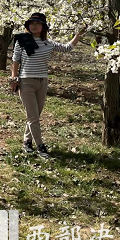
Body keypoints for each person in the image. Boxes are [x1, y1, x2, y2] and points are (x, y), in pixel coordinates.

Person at [9, 12, 85, 159]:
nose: (34, 26)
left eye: (37, 23)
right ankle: (41, 147)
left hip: (42, 82)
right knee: (33, 117)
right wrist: (14, 78)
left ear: (43, 27)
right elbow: (15, 60)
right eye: (31, 23)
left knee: (35, 115)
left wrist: (78, 35)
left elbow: (67, 48)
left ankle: (27, 142)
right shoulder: (22, 40)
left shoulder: (48, 44)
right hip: (26, 81)